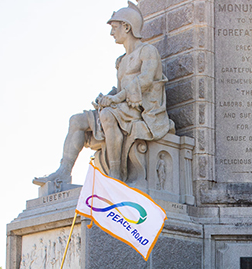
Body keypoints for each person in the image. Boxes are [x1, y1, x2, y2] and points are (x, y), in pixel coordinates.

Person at [34, 2, 175, 187]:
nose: (112, 33)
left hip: (144, 110)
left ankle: (115, 174)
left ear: (127, 27)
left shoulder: (147, 51)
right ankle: (63, 172)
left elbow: (145, 81)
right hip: (124, 107)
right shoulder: (121, 61)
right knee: (76, 121)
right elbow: (121, 89)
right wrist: (107, 97)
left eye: (115, 28)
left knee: (108, 115)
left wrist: (115, 99)